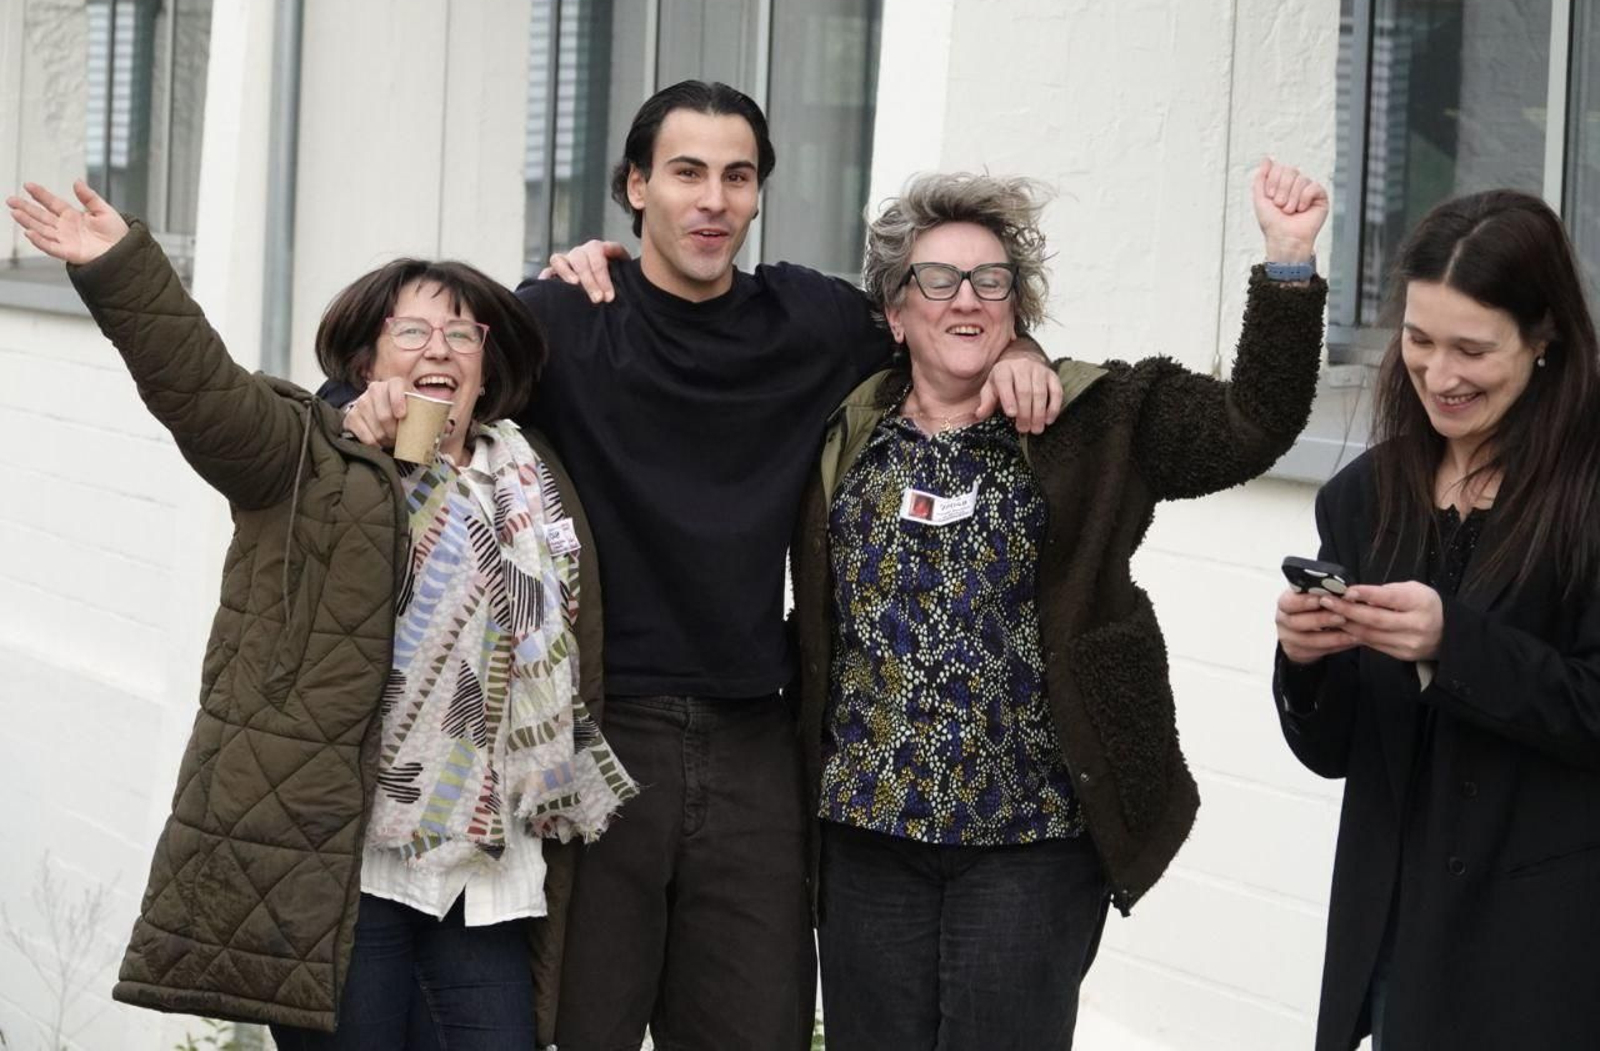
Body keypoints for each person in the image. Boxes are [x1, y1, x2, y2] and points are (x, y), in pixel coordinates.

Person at [341, 79, 1064, 1051]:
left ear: (760, 192)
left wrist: (1022, 348)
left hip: (754, 737)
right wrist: (351, 413)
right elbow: (427, 375)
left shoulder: (811, 323)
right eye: (685, 172)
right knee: (580, 1025)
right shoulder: (562, 317)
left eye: (736, 175)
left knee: (753, 1029)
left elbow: (942, 322)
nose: (712, 200)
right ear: (636, 187)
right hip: (598, 739)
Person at [7, 180, 636, 1050]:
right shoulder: (311, 457)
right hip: (343, 864)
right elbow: (206, 394)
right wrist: (122, 270)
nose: (440, 347)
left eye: (463, 332)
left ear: (488, 365)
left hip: (484, 874)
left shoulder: (535, 481)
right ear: (369, 359)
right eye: (411, 330)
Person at [784, 163, 1328, 1050]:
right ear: (895, 312)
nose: (967, 298)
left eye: (991, 280)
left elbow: (1253, 424)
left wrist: (1289, 265)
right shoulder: (843, 427)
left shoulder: (1095, 419)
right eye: (938, 279)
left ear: (1016, 306)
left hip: (1029, 842)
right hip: (864, 837)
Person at [1273, 189, 1600, 1050]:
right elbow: (1335, 751)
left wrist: (1453, 644)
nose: (1441, 375)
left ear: (1545, 339)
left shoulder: (1589, 496)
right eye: (1419, 341)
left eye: (1473, 349)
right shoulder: (1363, 496)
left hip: (1542, 953)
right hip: (1387, 940)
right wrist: (1304, 662)